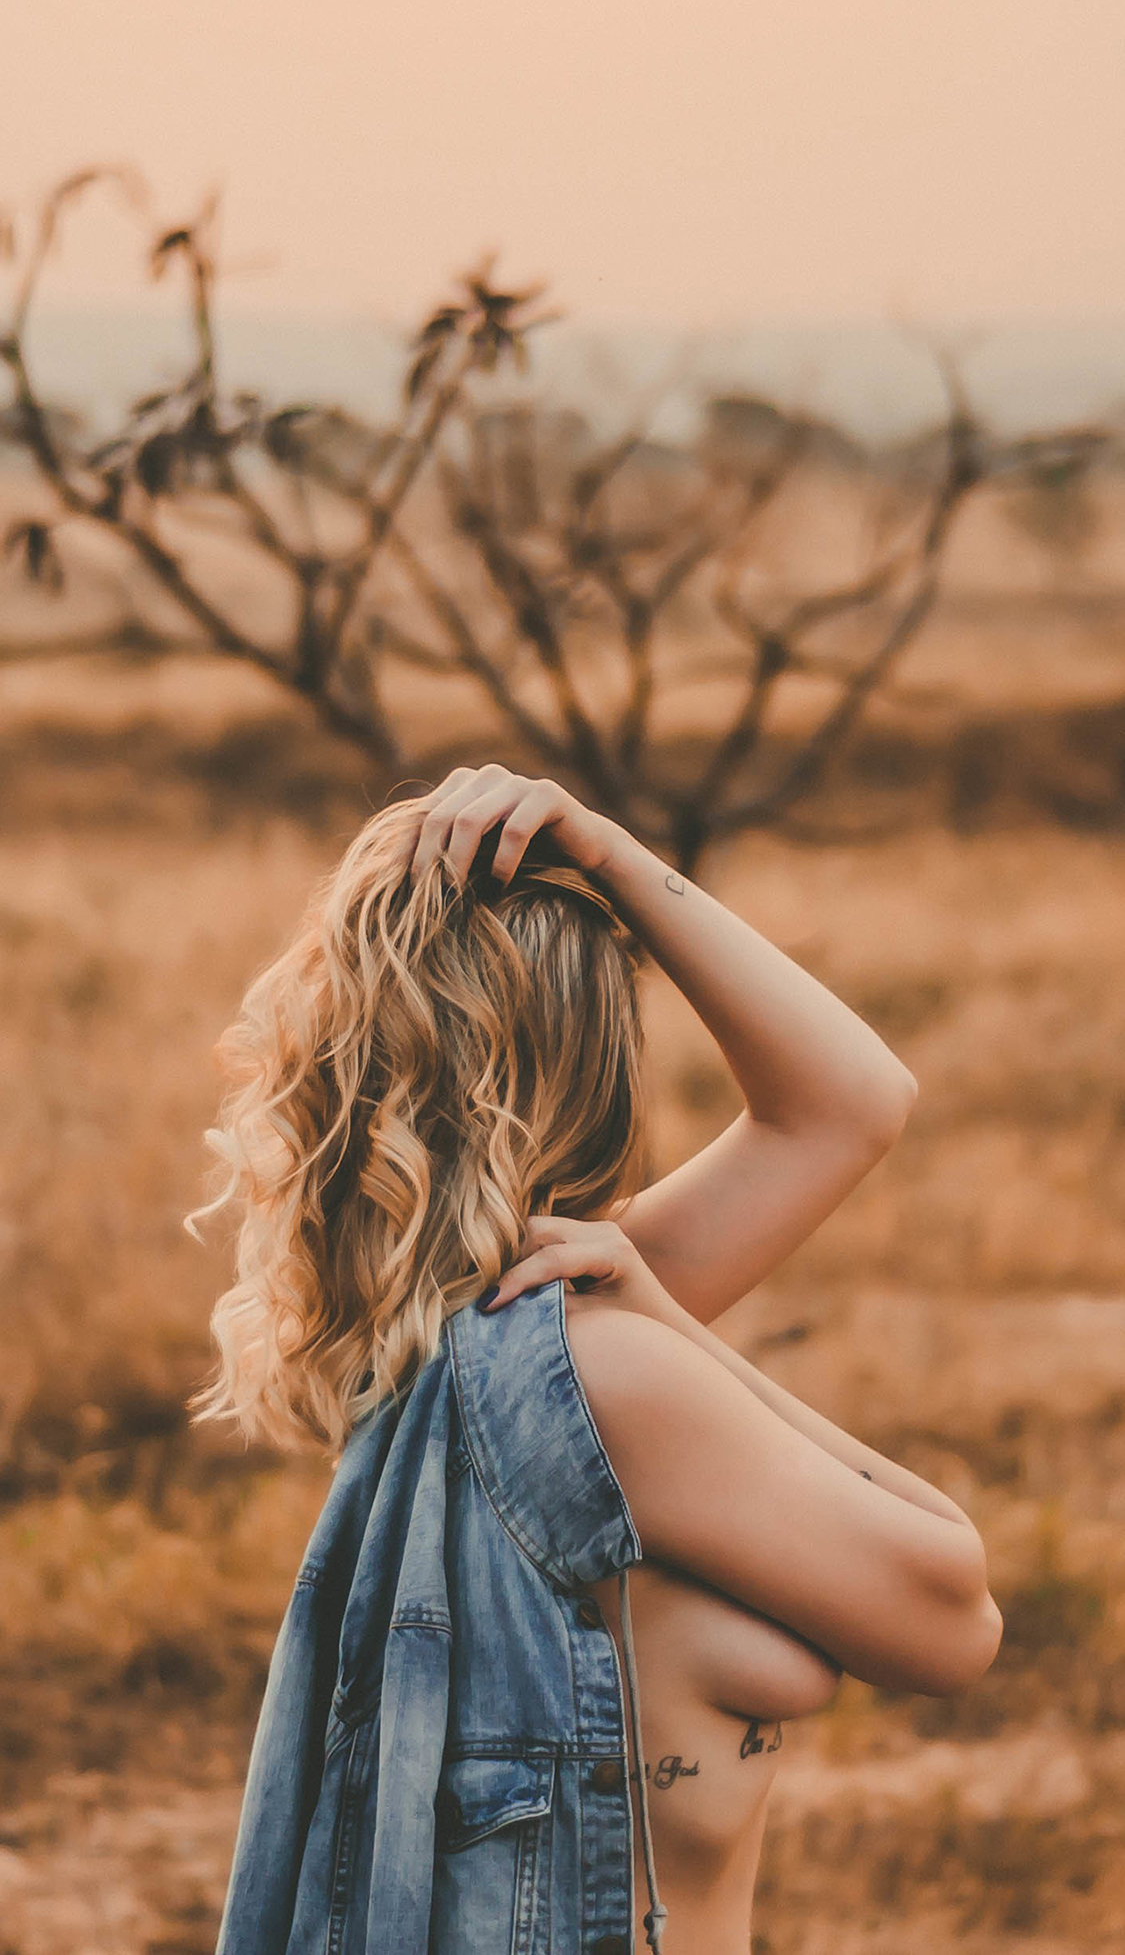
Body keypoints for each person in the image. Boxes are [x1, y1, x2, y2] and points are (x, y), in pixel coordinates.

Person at [193, 764, 1002, 1955]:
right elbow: (957, 1620)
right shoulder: (608, 1370)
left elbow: (854, 1104)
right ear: (595, 1069)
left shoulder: (466, 1339)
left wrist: (608, 850)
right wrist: (615, 859)